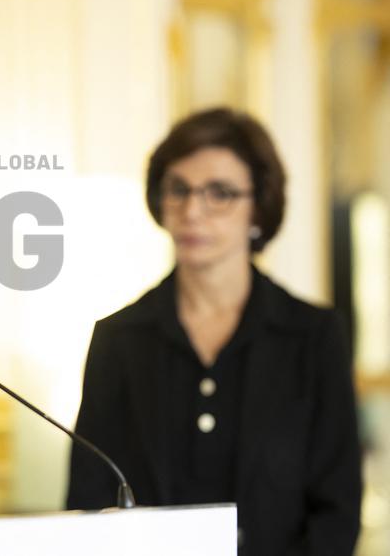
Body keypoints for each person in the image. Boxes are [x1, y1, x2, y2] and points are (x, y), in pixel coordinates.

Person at [66, 107, 361, 555]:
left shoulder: (315, 336)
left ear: (258, 208)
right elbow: (87, 506)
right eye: (178, 190)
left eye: (219, 193)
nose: (192, 210)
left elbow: (337, 512)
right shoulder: (118, 339)